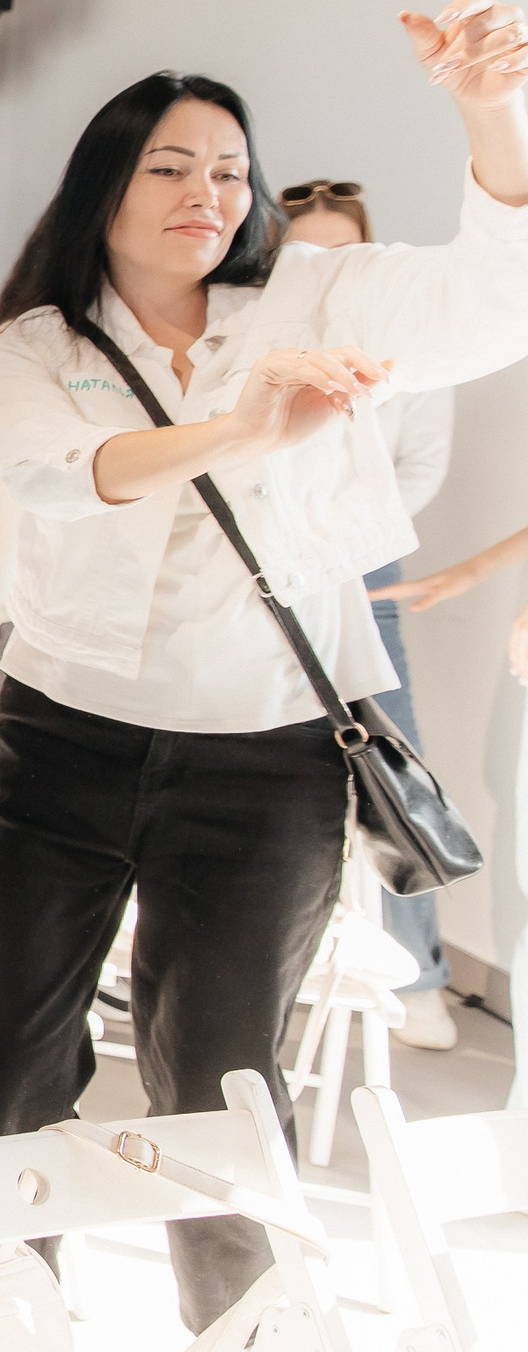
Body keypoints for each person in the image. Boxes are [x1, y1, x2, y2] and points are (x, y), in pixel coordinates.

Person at [0, 0, 528, 1332]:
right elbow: (55, 469)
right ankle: (1, 1310)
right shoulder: (43, 344)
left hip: (264, 760)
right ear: (104, 184)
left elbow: (495, 302)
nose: (208, 191)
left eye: (229, 167)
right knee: (9, 1062)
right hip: (64, 742)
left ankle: (238, 1322)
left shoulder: (316, 295)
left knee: (223, 1083)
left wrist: (484, 109)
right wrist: (242, 425)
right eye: (170, 163)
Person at [271, 179, 460, 1049]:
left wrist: (344, 534)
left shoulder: (413, 354)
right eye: (310, 249)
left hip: (361, 571)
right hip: (257, 572)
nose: (329, 266)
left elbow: (418, 471)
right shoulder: (253, 339)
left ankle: (415, 974)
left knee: (391, 765)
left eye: (346, 247)